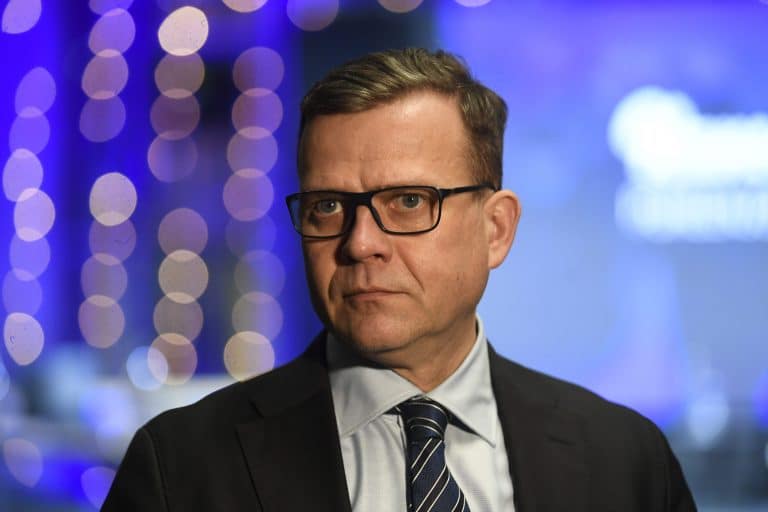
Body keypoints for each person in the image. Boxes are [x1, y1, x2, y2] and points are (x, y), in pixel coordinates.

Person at [102, 48, 696, 511]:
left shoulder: (625, 461)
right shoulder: (181, 467)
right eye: (328, 207)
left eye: (409, 201)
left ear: (496, 229)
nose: (360, 242)